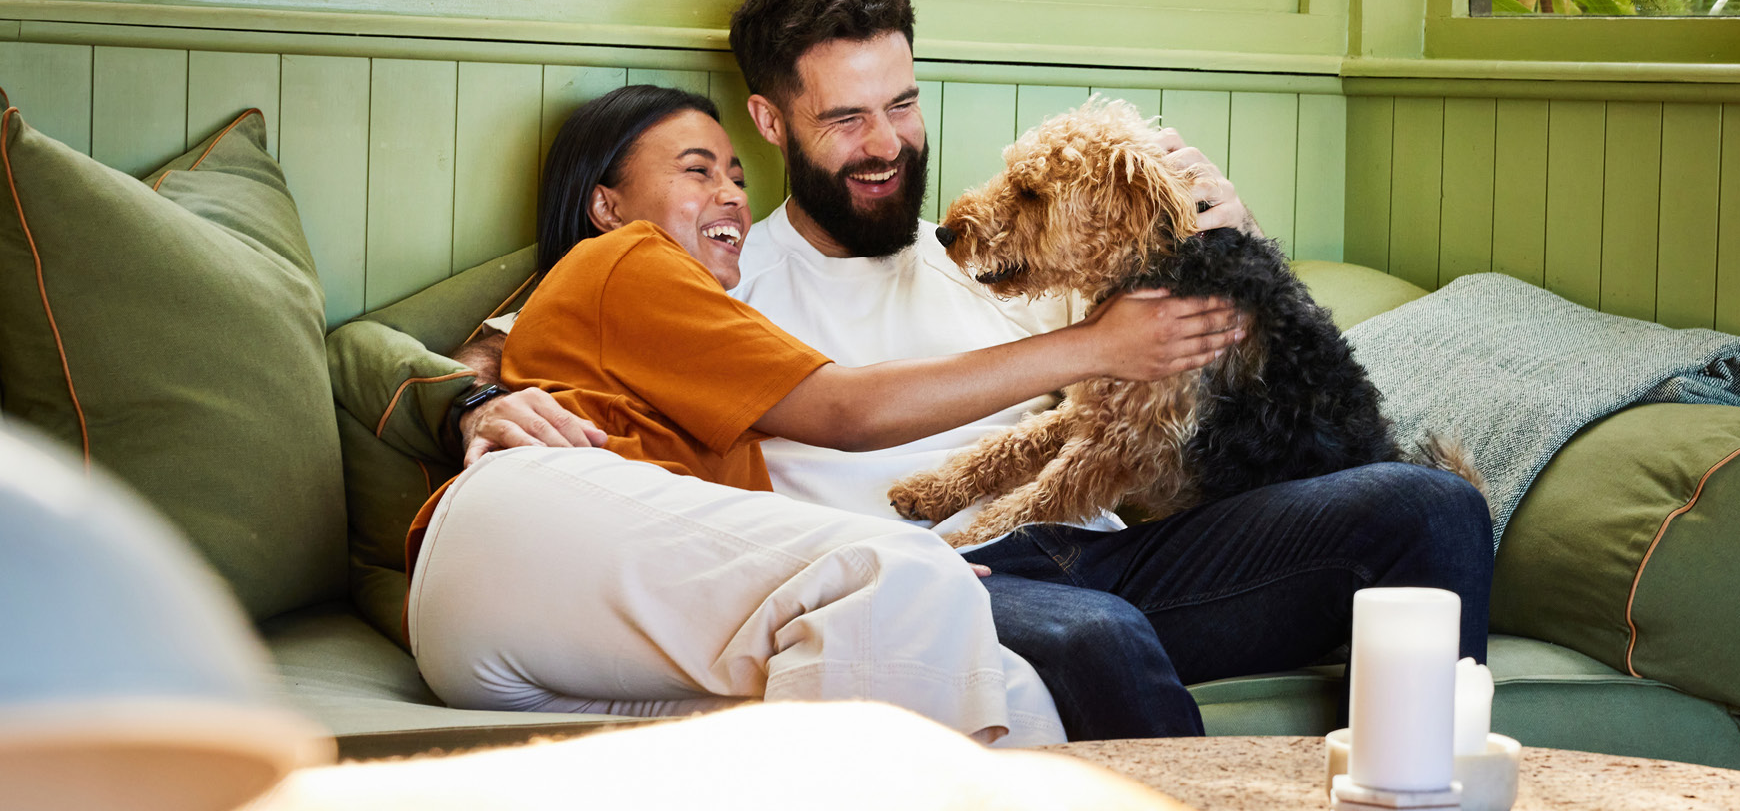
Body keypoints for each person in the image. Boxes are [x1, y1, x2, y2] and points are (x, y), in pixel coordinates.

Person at [459, 0, 1494, 741]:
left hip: (1108, 551)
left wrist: (1226, 238)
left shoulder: (1005, 253)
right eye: (847, 119)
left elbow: (1224, 373)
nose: (886, 144)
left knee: (1433, 510)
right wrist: (473, 402)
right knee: (1099, 640)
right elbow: (500, 346)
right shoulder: (716, 268)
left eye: (903, 105)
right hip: (934, 584)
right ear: (772, 124)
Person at [406, 83, 1245, 747]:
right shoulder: (627, 259)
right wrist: (470, 401)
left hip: (553, 633)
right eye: (696, 170)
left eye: (735, 175)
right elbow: (842, 408)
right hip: (527, 543)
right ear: (606, 207)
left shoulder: (680, 324)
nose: (731, 195)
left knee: (1014, 696)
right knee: (903, 574)